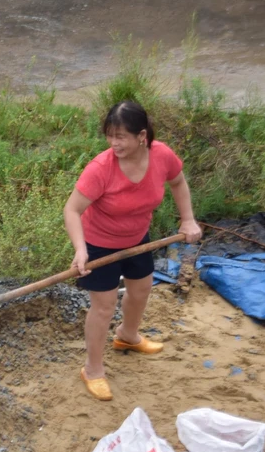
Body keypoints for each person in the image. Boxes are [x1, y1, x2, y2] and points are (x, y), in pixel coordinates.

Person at [64, 101, 203, 401]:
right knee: (103, 306)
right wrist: (80, 250)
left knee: (141, 290)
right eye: (109, 135)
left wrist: (188, 218)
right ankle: (93, 369)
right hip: (99, 243)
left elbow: (178, 182)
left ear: (142, 136)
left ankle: (127, 336)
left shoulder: (161, 155)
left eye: (121, 136)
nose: (114, 143)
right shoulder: (101, 168)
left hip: (138, 237)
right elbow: (72, 210)